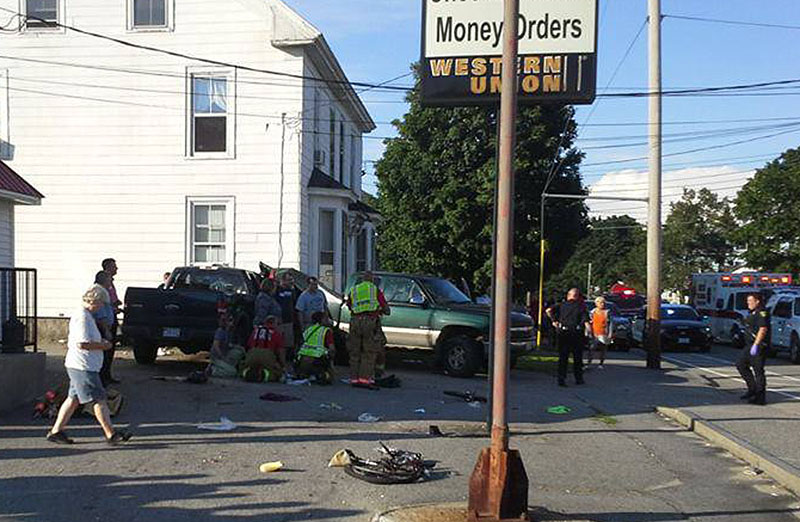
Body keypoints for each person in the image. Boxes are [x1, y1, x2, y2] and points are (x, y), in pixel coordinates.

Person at [46, 286, 132, 445]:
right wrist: (104, 345)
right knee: (99, 399)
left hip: (80, 365)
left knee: (73, 398)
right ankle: (110, 434)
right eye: (101, 304)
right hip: (83, 366)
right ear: (95, 301)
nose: (101, 308)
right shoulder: (83, 317)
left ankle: (56, 431)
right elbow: (83, 343)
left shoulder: (87, 316)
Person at [345, 271, 390, 387]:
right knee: (368, 351)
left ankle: (354, 379)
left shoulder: (354, 290)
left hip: (355, 321)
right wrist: (381, 310)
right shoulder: (374, 290)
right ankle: (364, 379)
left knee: (355, 351)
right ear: (372, 279)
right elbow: (386, 309)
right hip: (369, 322)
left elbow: (349, 305)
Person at [547, 288, 590, 387]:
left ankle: (561, 378)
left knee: (563, 357)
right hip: (576, 333)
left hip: (563, 333)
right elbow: (586, 322)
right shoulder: (581, 307)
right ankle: (578, 378)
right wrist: (591, 334)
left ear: (568, 295)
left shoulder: (561, 305)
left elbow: (548, 310)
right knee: (577, 357)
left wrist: (554, 321)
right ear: (577, 296)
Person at [737, 293, 770, 405]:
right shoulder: (752, 312)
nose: (748, 303)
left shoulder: (762, 313)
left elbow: (763, 329)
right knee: (741, 365)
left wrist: (756, 345)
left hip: (758, 345)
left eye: (750, 301)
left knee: (758, 371)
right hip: (749, 345)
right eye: (747, 301)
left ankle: (760, 397)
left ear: (757, 302)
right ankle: (752, 389)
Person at [295, 311, 335, 384]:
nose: (328, 320)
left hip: (302, 361)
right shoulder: (326, 331)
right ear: (321, 320)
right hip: (317, 361)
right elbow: (332, 348)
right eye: (326, 318)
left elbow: (300, 344)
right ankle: (323, 374)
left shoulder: (308, 330)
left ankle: (305, 374)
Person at [242, 316, 285, 382]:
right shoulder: (276, 333)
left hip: (252, 354)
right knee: (277, 372)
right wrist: (282, 365)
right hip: (267, 355)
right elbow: (281, 352)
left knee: (245, 367)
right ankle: (264, 376)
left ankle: (247, 374)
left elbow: (248, 345)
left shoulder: (255, 331)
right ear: (274, 323)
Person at [100, 258, 122, 385]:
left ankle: (107, 375)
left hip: (112, 317)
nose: (116, 269)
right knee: (106, 348)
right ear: (108, 267)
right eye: (114, 266)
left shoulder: (111, 282)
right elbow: (104, 300)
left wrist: (116, 303)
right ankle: (103, 376)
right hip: (106, 321)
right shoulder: (104, 282)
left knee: (111, 348)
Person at [274, 272, 299, 355]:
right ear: (283, 280)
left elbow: (294, 302)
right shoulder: (277, 290)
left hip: (289, 319)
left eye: (291, 280)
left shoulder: (292, 290)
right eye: (288, 280)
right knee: (279, 341)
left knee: (288, 342)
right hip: (279, 320)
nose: (291, 282)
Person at [588, 296, 612, 369]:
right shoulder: (592, 312)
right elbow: (589, 323)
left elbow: (610, 323)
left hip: (603, 333)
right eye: (600, 302)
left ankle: (601, 363)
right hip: (594, 333)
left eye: (603, 303)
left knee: (603, 349)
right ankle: (589, 363)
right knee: (592, 349)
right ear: (596, 303)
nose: (602, 304)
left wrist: (610, 334)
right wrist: (589, 332)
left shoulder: (607, 312)